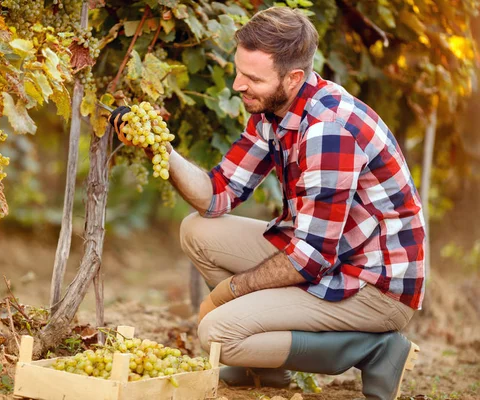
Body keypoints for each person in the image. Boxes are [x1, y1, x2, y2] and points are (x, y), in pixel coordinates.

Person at [109, 6, 425, 400]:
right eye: (239, 71)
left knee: (217, 331)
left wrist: (229, 292)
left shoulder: (328, 131)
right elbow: (217, 194)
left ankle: (376, 349)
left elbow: (308, 258)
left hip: (374, 287)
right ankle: (265, 366)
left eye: (253, 78)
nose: (239, 85)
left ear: (293, 77)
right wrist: (160, 147)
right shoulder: (273, 110)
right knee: (197, 230)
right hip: (332, 259)